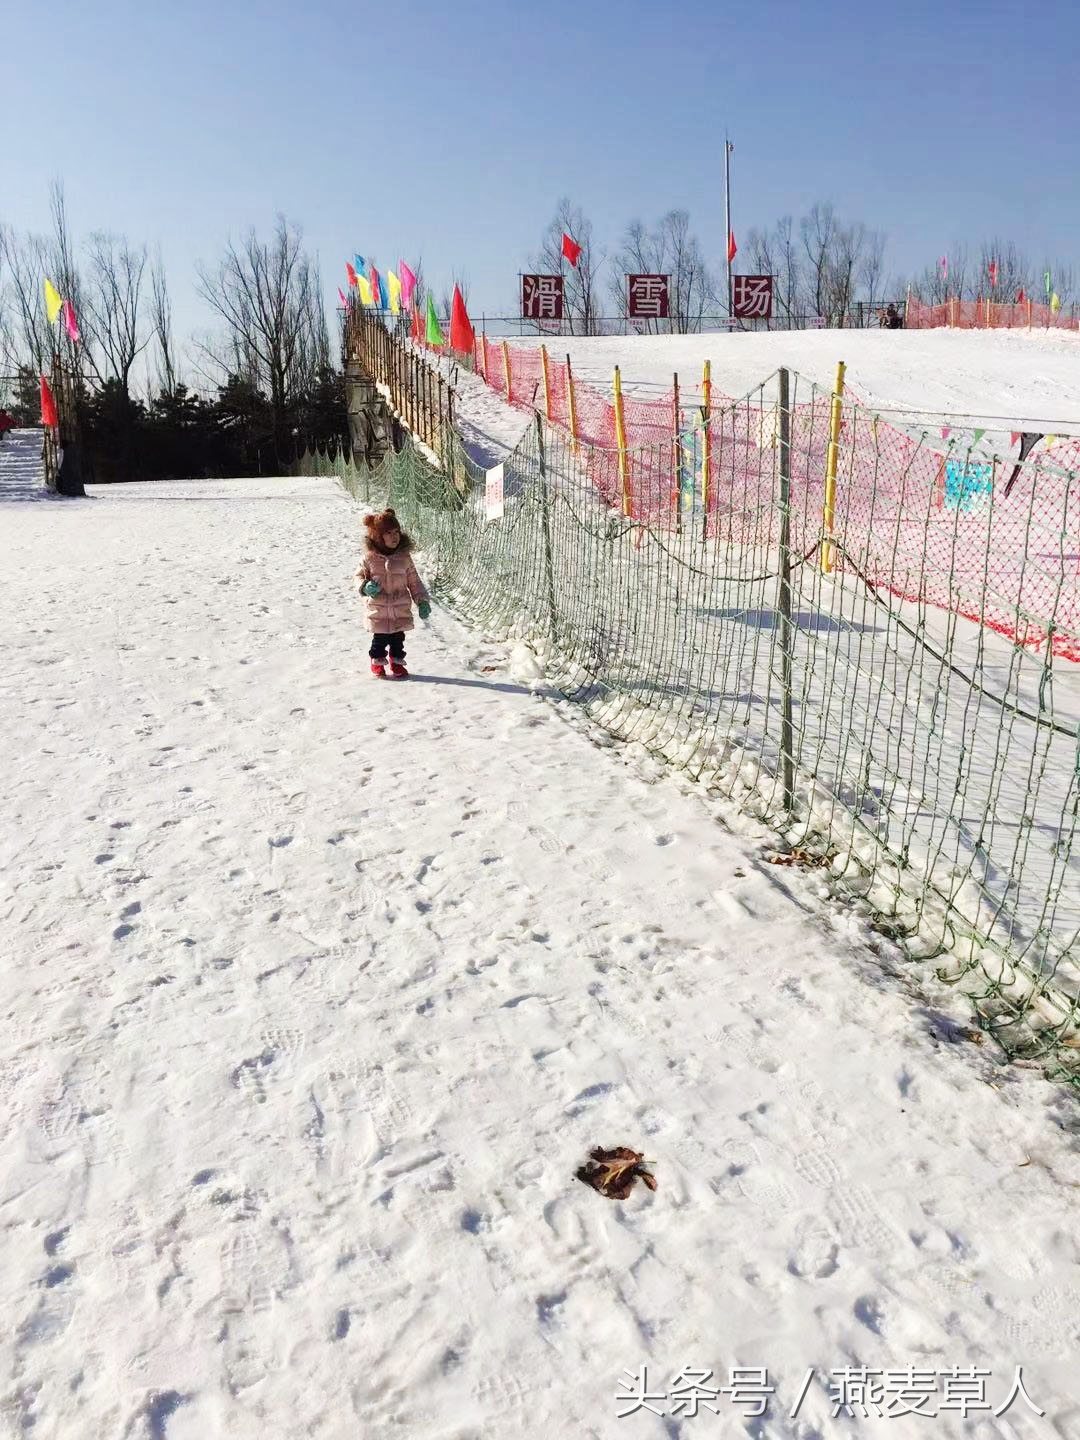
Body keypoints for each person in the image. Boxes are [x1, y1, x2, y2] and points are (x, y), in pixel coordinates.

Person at [355, 508, 431, 679]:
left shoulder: (404, 558)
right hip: (378, 610)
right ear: (378, 536)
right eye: (388, 533)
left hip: (399, 610)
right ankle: (377, 661)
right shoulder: (369, 558)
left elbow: (415, 582)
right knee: (379, 641)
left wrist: (422, 601)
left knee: (398, 640)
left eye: (396, 532)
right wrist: (365, 586)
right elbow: (358, 577)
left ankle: (396, 662)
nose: (394, 536)